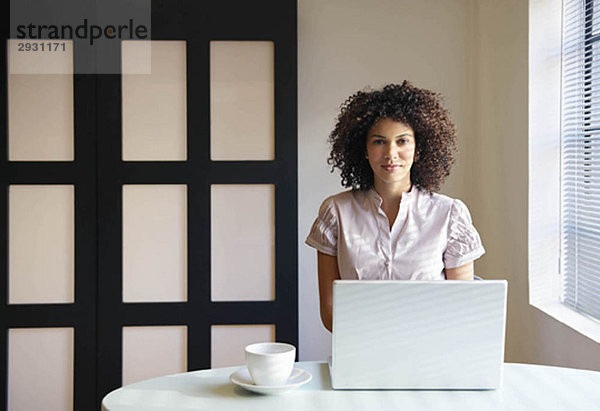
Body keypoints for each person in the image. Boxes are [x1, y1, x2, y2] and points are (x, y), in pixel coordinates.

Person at [305, 81, 485, 332]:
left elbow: (463, 309)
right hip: (359, 352)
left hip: (431, 354)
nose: (391, 153)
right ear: (364, 150)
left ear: (418, 149)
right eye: (379, 142)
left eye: (402, 141)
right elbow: (330, 310)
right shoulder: (336, 213)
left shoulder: (449, 215)